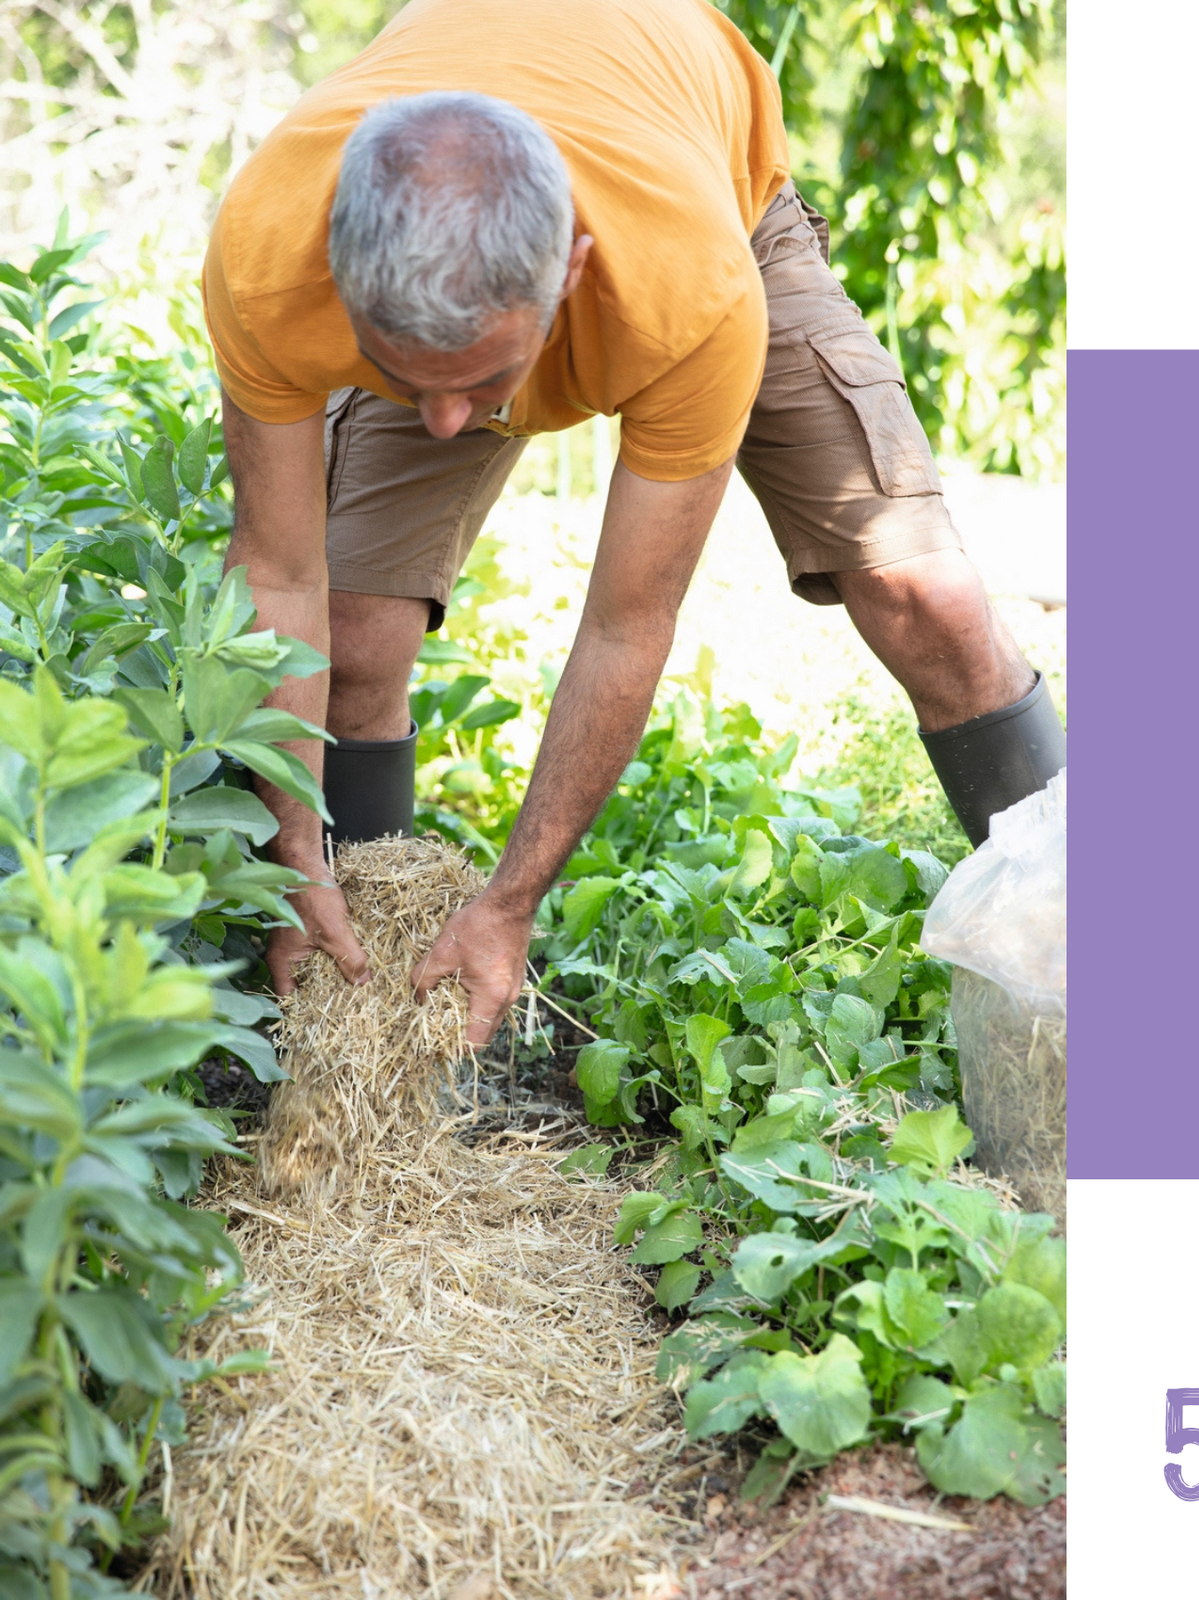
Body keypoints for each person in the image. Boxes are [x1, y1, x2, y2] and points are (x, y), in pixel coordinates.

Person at [205, 0, 1064, 1047]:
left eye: (481, 381)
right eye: (404, 377)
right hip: (455, 222)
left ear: (567, 271)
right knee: (354, 633)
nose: (444, 424)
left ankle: (1081, 952)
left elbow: (626, 625)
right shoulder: (270, 249)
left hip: (704, 191)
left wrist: (511, 901)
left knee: (920, 599)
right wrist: (292, 858)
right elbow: (281, 573)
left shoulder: (690, 288)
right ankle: (370, 1023)